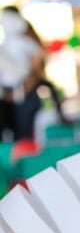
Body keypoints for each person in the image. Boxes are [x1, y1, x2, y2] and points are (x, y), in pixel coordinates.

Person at [0, 7, 44, 141]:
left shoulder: (29, 44)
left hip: (25, 95)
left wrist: (20, 92)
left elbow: (37, 73)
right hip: (7, 97)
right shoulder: (5, 46)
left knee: (24, 138)